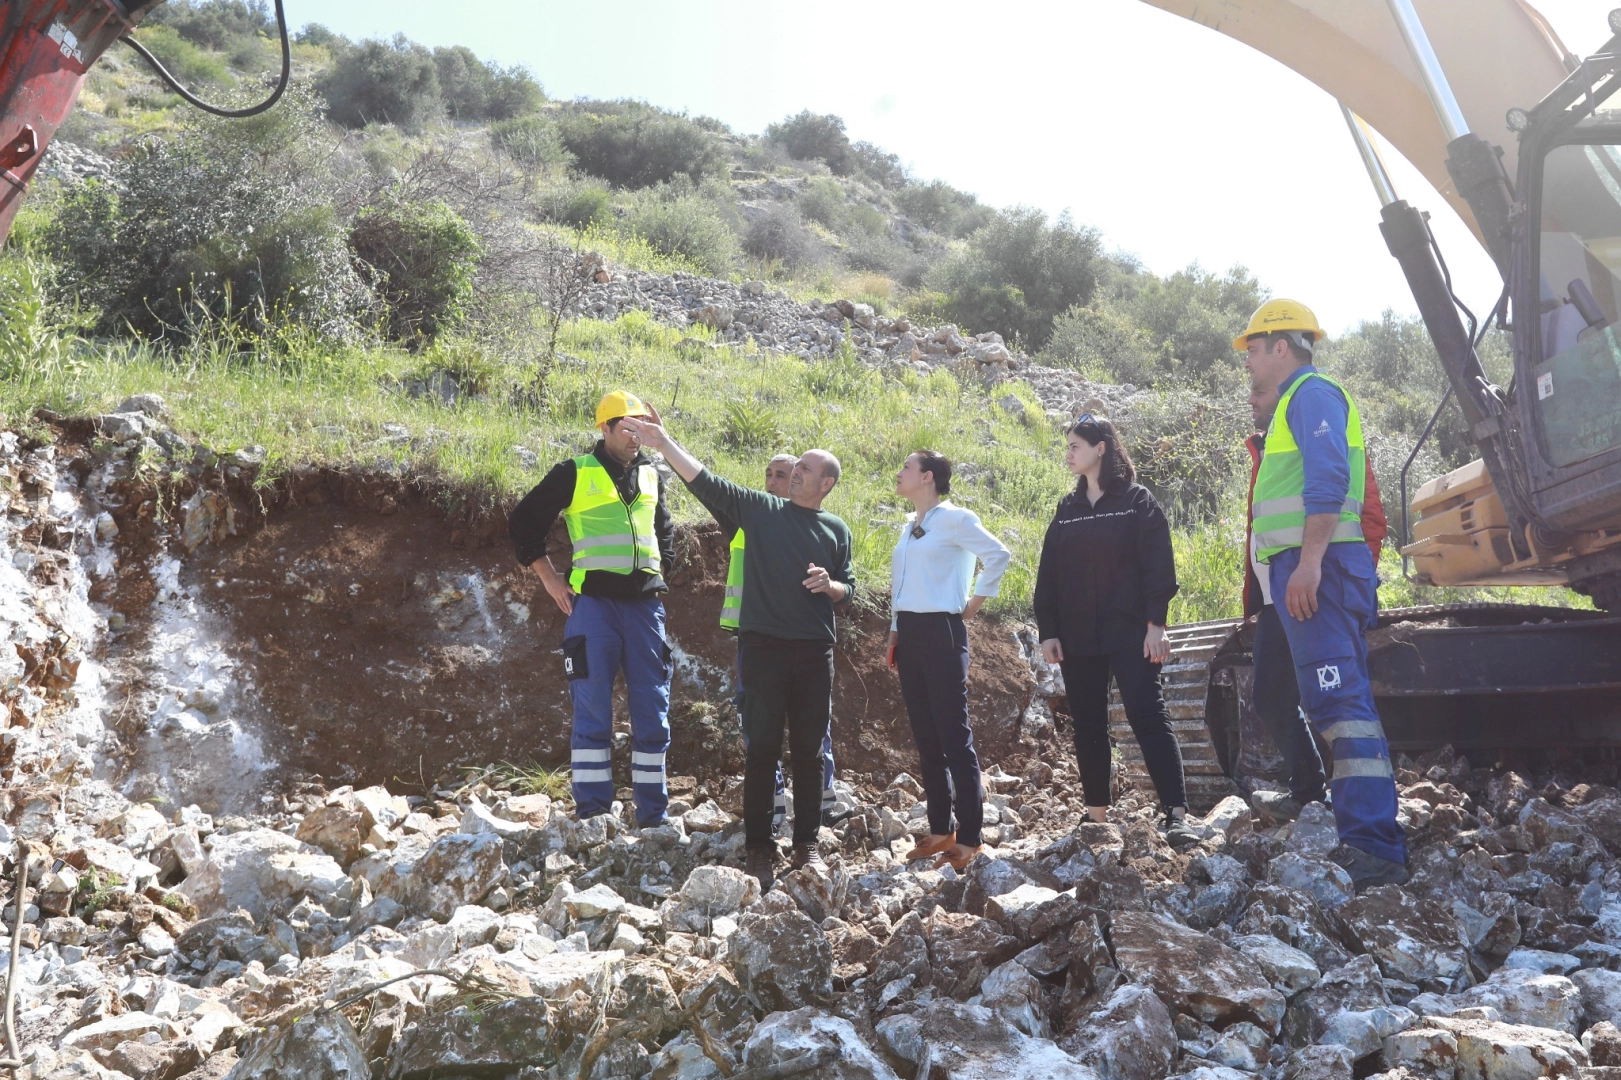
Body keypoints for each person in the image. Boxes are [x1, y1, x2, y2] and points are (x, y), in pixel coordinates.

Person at [621, 415, 855, 891]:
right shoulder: (761, 509)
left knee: (809, 752)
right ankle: (759, 848)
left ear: (826, 484)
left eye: (805, 470)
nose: (795, 473)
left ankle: (806, 844)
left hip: (815, 655)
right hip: (764, 650)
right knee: (762, 750)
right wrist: (664, 442)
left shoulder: (836, 529)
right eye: (795, 467)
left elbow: (848, 587)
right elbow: (705, 481)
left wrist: (830, 585)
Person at [1237, 297, 1408, 889]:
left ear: (1281, 347)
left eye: (1253, 351)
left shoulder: (1312, 395)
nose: (1248, 363)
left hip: (1322, 569)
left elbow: (1330, 478)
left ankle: (1374, 846)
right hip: (1312, 569)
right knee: (1327, 700)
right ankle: (1364, 832)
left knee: (1340, 704)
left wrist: (1308, 563)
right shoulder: (1295, 402)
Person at [508, 390, 675, 828]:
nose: (636, 436)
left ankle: (654, 818)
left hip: (645, 611)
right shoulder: (575, 472)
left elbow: (664, 531)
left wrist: (661, 572)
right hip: (595, 609)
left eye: (642, 428)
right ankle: (593, 816)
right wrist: (550, 578)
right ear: (605, 428)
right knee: (593, 713)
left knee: (653, 712)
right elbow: (523, 523)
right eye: (628, 428)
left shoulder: (652, 474)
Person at [1033, 415, 1201, 849]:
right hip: (1077, 637)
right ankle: (1095, 816)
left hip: (1131, 633)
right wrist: (1048, 630)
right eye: (1068, 446)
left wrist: (1156, 625)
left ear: (1101, 448)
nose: (1068, 454)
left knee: (1148, 716)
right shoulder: (1067, 509)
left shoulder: (1136, 501)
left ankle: (1176, 814)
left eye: (1075, 445)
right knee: (1088, 724)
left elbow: (1158, 566)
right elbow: (1049, 575)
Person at [1242, 377, 1389, 825]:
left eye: (1258, 392)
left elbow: (1366, 516)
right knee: (1270, 696)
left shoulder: (1316, 409)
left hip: (1317, 585)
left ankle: (1366, 827)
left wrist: (1345, 578)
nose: (1251, 399)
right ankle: (1308, 792)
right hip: (1279, 595)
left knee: (1337, 701)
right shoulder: (1269, 451)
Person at [887, 451, 1012, 871]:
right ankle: (940, 830)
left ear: (927, 477)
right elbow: (902, 584)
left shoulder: (957, 518)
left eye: (906, 467)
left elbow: (999, 555)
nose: (898, 473)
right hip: (910, 633)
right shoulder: (909, 525)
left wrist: (973, 604)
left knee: (954, 739)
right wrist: (895, 629)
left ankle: (971, 837)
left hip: (943, 631)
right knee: (926, 738)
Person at [716, 453, 838, 833]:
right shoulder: (752, 518)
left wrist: (833, 585)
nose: (772, 481)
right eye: (769, 474)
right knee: (760, 734)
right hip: (755, 640)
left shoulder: (818, 530)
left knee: (812, 736)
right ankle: (771, 812)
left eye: (782, 475)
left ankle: (821, 809)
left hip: (803, 646)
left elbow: (842, 585)